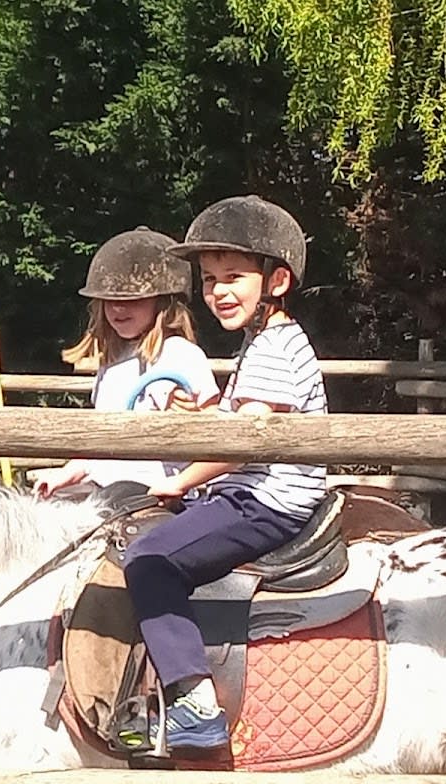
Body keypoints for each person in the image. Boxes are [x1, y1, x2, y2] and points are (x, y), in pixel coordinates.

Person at [121, 195, 328, 751]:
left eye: (234, 277)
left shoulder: (273, 347)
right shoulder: (265, 342)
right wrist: (204, 417)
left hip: (266, 500)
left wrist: (181, 480)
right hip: (252, 492)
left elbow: (243, 442)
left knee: (148, 560)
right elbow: (241, 420)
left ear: (276, 281)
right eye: (210, 279)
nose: (218, 292)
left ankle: (193, 701)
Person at [31, 226, 219, 498]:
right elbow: (102, 446)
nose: (118, 308)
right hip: (108, 491)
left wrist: (193, 420)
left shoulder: (178, 355)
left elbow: (214, 433)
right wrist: (65, 474)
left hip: (151, 495)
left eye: (133, 300)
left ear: (163, 303)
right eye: (110, 300)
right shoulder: (112, 363)